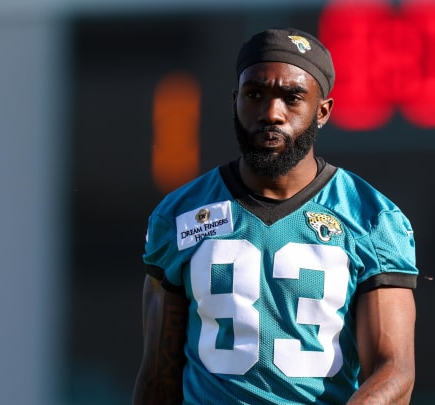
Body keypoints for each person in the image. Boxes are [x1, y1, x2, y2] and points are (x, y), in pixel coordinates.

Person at [133, 28, 418, 405]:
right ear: (235, 101)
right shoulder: (181, 215)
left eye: (292, 97)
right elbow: (157, 376)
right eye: (255, 95)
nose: (271, 113)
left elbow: (394, 371)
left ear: (323, 111)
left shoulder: (371, 218)